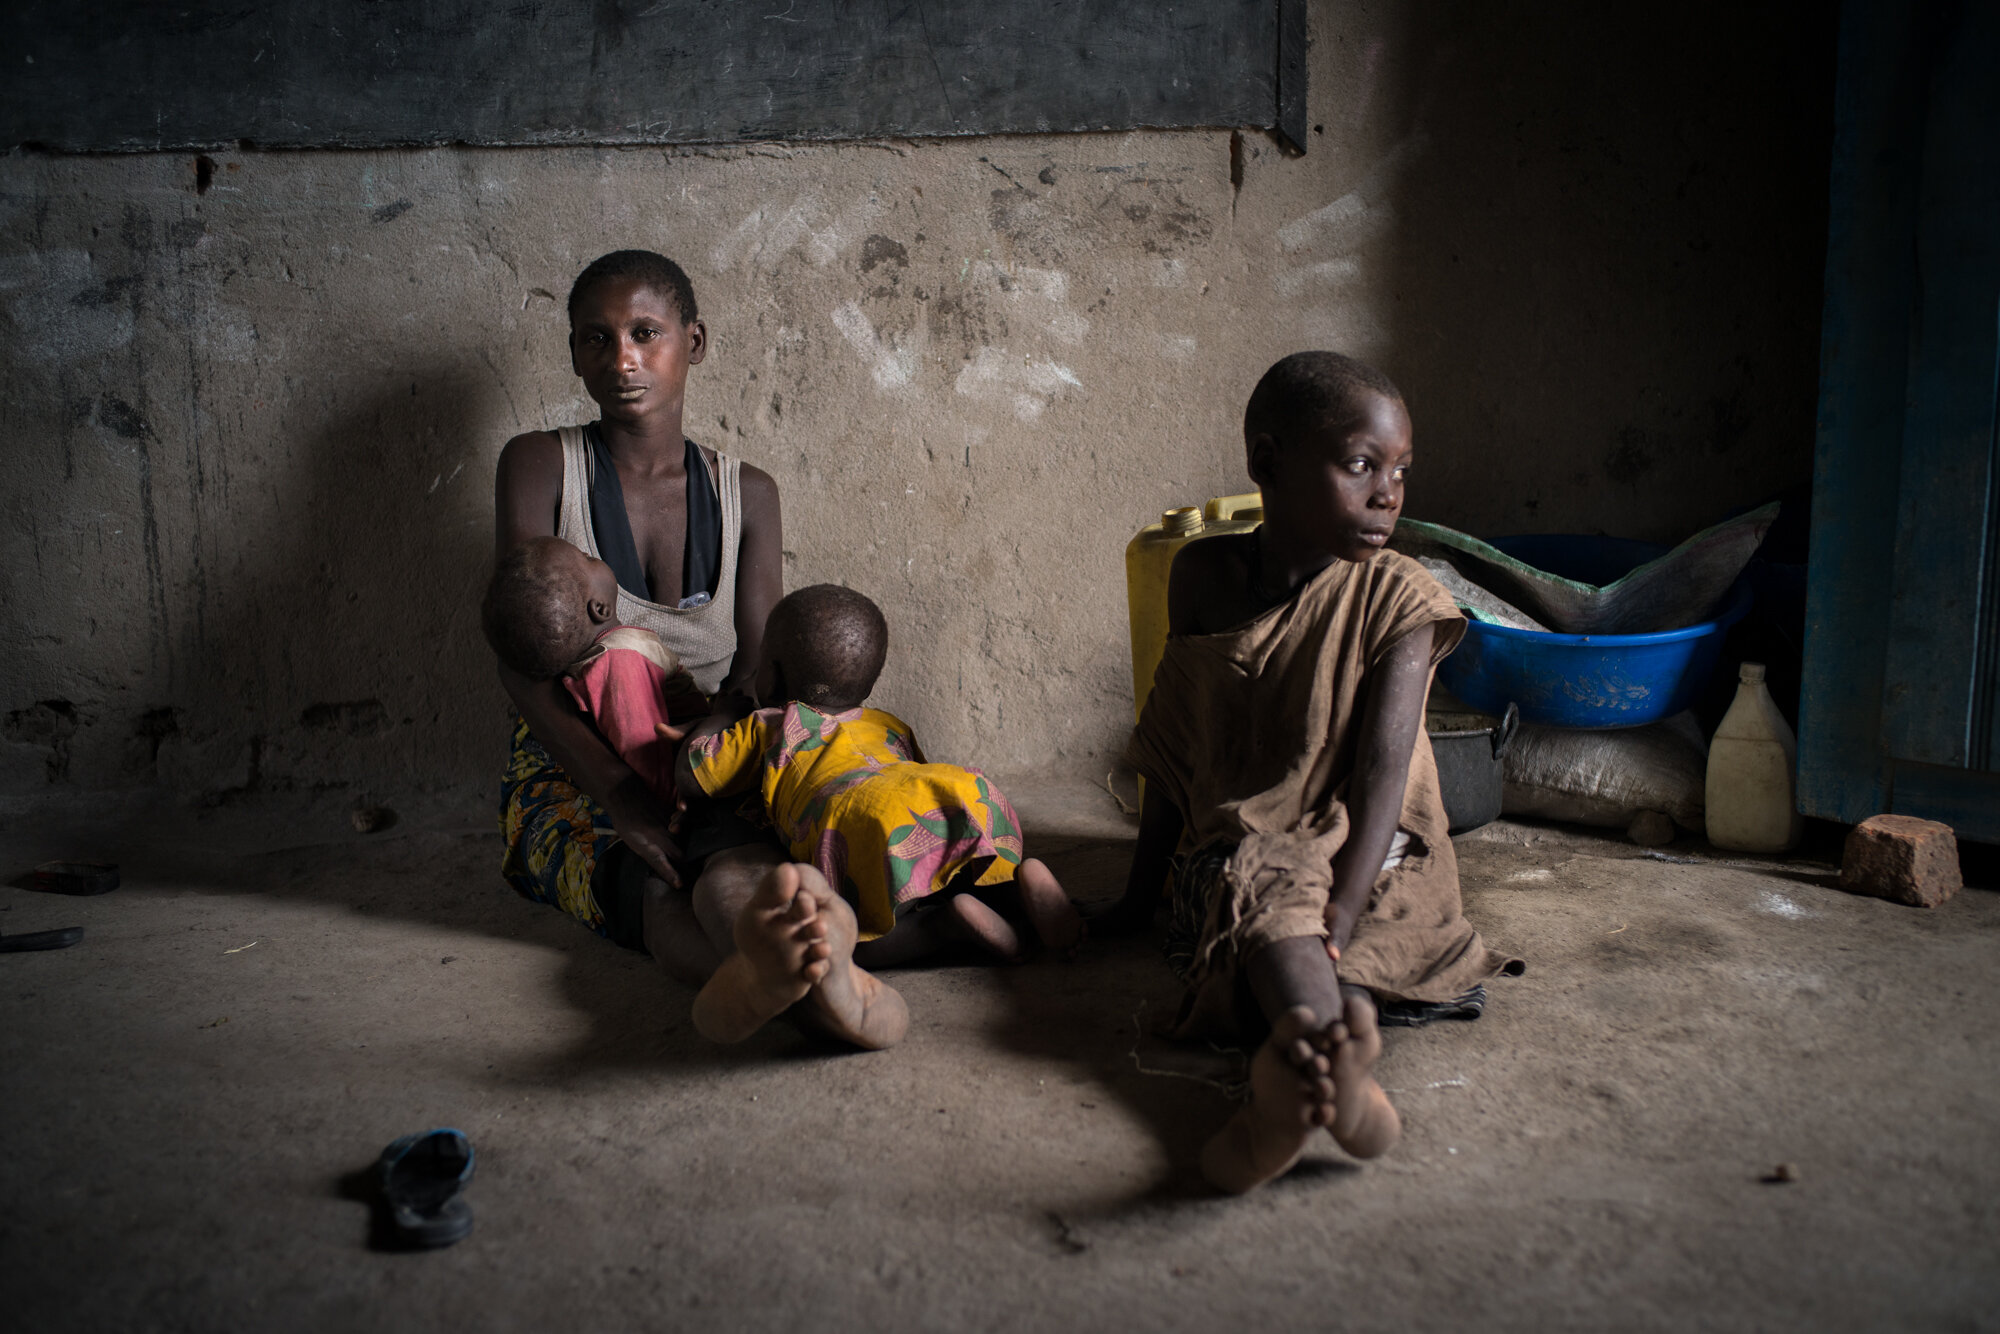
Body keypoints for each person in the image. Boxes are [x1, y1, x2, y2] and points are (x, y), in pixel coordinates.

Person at [1094, 351, 1521, 1193]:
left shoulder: (1402, 594)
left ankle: (1301, 1060)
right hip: (1255, 838)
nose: (1388, 494)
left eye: (1400, 470)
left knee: (1330, 921)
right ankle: (1335, 1055)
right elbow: (1181, 748)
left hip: (1379, 844)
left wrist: (1346, 901)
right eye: (1360, 465)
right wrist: (1136, 900)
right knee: (1265, 885)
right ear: (1266, 462)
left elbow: (1383, 777)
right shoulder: (1205, 578)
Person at [493, 250, 883, 1046]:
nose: (623, 359)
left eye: (645, 332)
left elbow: (756, 661)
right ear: (574, 353)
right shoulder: (539, 465)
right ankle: (817, 981)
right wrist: (619, 794)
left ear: (694, 342)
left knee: (750, 849)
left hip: (708, 746)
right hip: (577, 758)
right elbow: (519, 656)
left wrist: (720, 731)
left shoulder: (751, 493)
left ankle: (786, 970)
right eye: (596, 340)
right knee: (653, 875)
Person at [676, 585, 1083, 1045]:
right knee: (956, 864)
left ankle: (942, 927)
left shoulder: (772, 725)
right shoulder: (888, 723)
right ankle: (1016, 894)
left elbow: (694, 772)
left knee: (857, 938)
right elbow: (915, 787)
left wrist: (723, 713)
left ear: (770, 674)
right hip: (956, 790)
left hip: (856, 816)